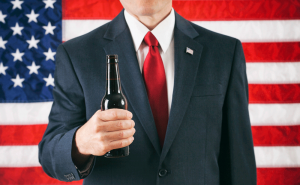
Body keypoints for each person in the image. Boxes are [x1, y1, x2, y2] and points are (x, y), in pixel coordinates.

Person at [38, 0, 257, 184]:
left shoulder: (225, 52)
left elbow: (238, 161)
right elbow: (50, 155)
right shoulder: (76, 54)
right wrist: (81, 142)